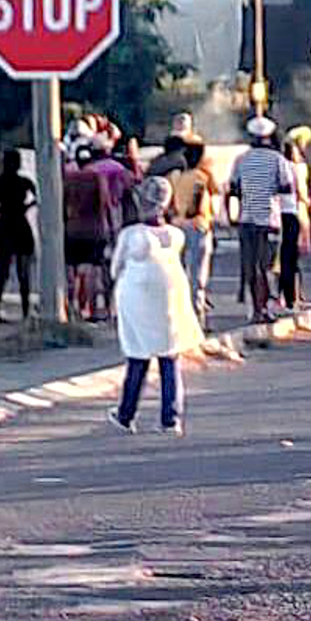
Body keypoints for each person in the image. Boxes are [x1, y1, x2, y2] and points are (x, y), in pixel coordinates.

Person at [104, 178, 202, 436]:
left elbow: (116, 269)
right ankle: (170, 418)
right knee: (169, 357)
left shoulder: (131, 235)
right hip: (170, 299)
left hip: (137, 299)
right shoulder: (176, 235)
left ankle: (126, 414)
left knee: (138, 355)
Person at [227, 117, 292, 323]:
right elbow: (287, 187)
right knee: (266, 267)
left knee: (250, 265)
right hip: (270, 220)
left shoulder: (241, 159)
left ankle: (255, 309)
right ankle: (264, 308)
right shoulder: (277, 159)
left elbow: (233, 189)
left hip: (247, 219)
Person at [63, 143, 120, 321]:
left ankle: (73, 308)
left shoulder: (69, 178)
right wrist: (111, 228)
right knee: (92, 271)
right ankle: (93, 310)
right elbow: (105, 205)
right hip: (94, 229)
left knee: (72, 272)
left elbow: (63, 205)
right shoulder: (97, 178)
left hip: (72, 229)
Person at [165, 140, 218, 328]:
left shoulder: (174, 177)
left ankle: (178, 316)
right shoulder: (202, 177)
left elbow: (169, 205)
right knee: (197, 275)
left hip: (177, 226)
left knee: (178, 273)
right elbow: (214, 192)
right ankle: (197, 318)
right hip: (198, 226)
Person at [0, 150, 37, 323]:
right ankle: (25, 311)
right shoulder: (24, 182)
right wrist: (26, 206)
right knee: (23, 270)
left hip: (5, 223)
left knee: (3, 270)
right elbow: (37, 196)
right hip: (20, 222)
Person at [277, 138, 311, 310]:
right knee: (291, 256)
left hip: (276, 214)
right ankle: (292, 296)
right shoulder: (295, 168)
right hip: (292, 212)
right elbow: (301, 193)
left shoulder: (277, 165)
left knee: (279, 257)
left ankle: (279, 294)